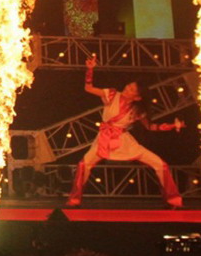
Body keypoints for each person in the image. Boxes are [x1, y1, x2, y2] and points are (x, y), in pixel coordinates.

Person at [67, 56, 184, 208]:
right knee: (84, 164)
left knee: (160, 164)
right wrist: (90, 70)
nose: (127, 89)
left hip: (124, 142)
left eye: (131, 90)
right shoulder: (111, 94)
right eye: (128, 86)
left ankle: (173, 200)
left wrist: (172, 126)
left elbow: (150, 127)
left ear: (137, 97)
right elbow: (89, 88)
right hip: (104, 139)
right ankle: (75, 200)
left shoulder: (137, 110)